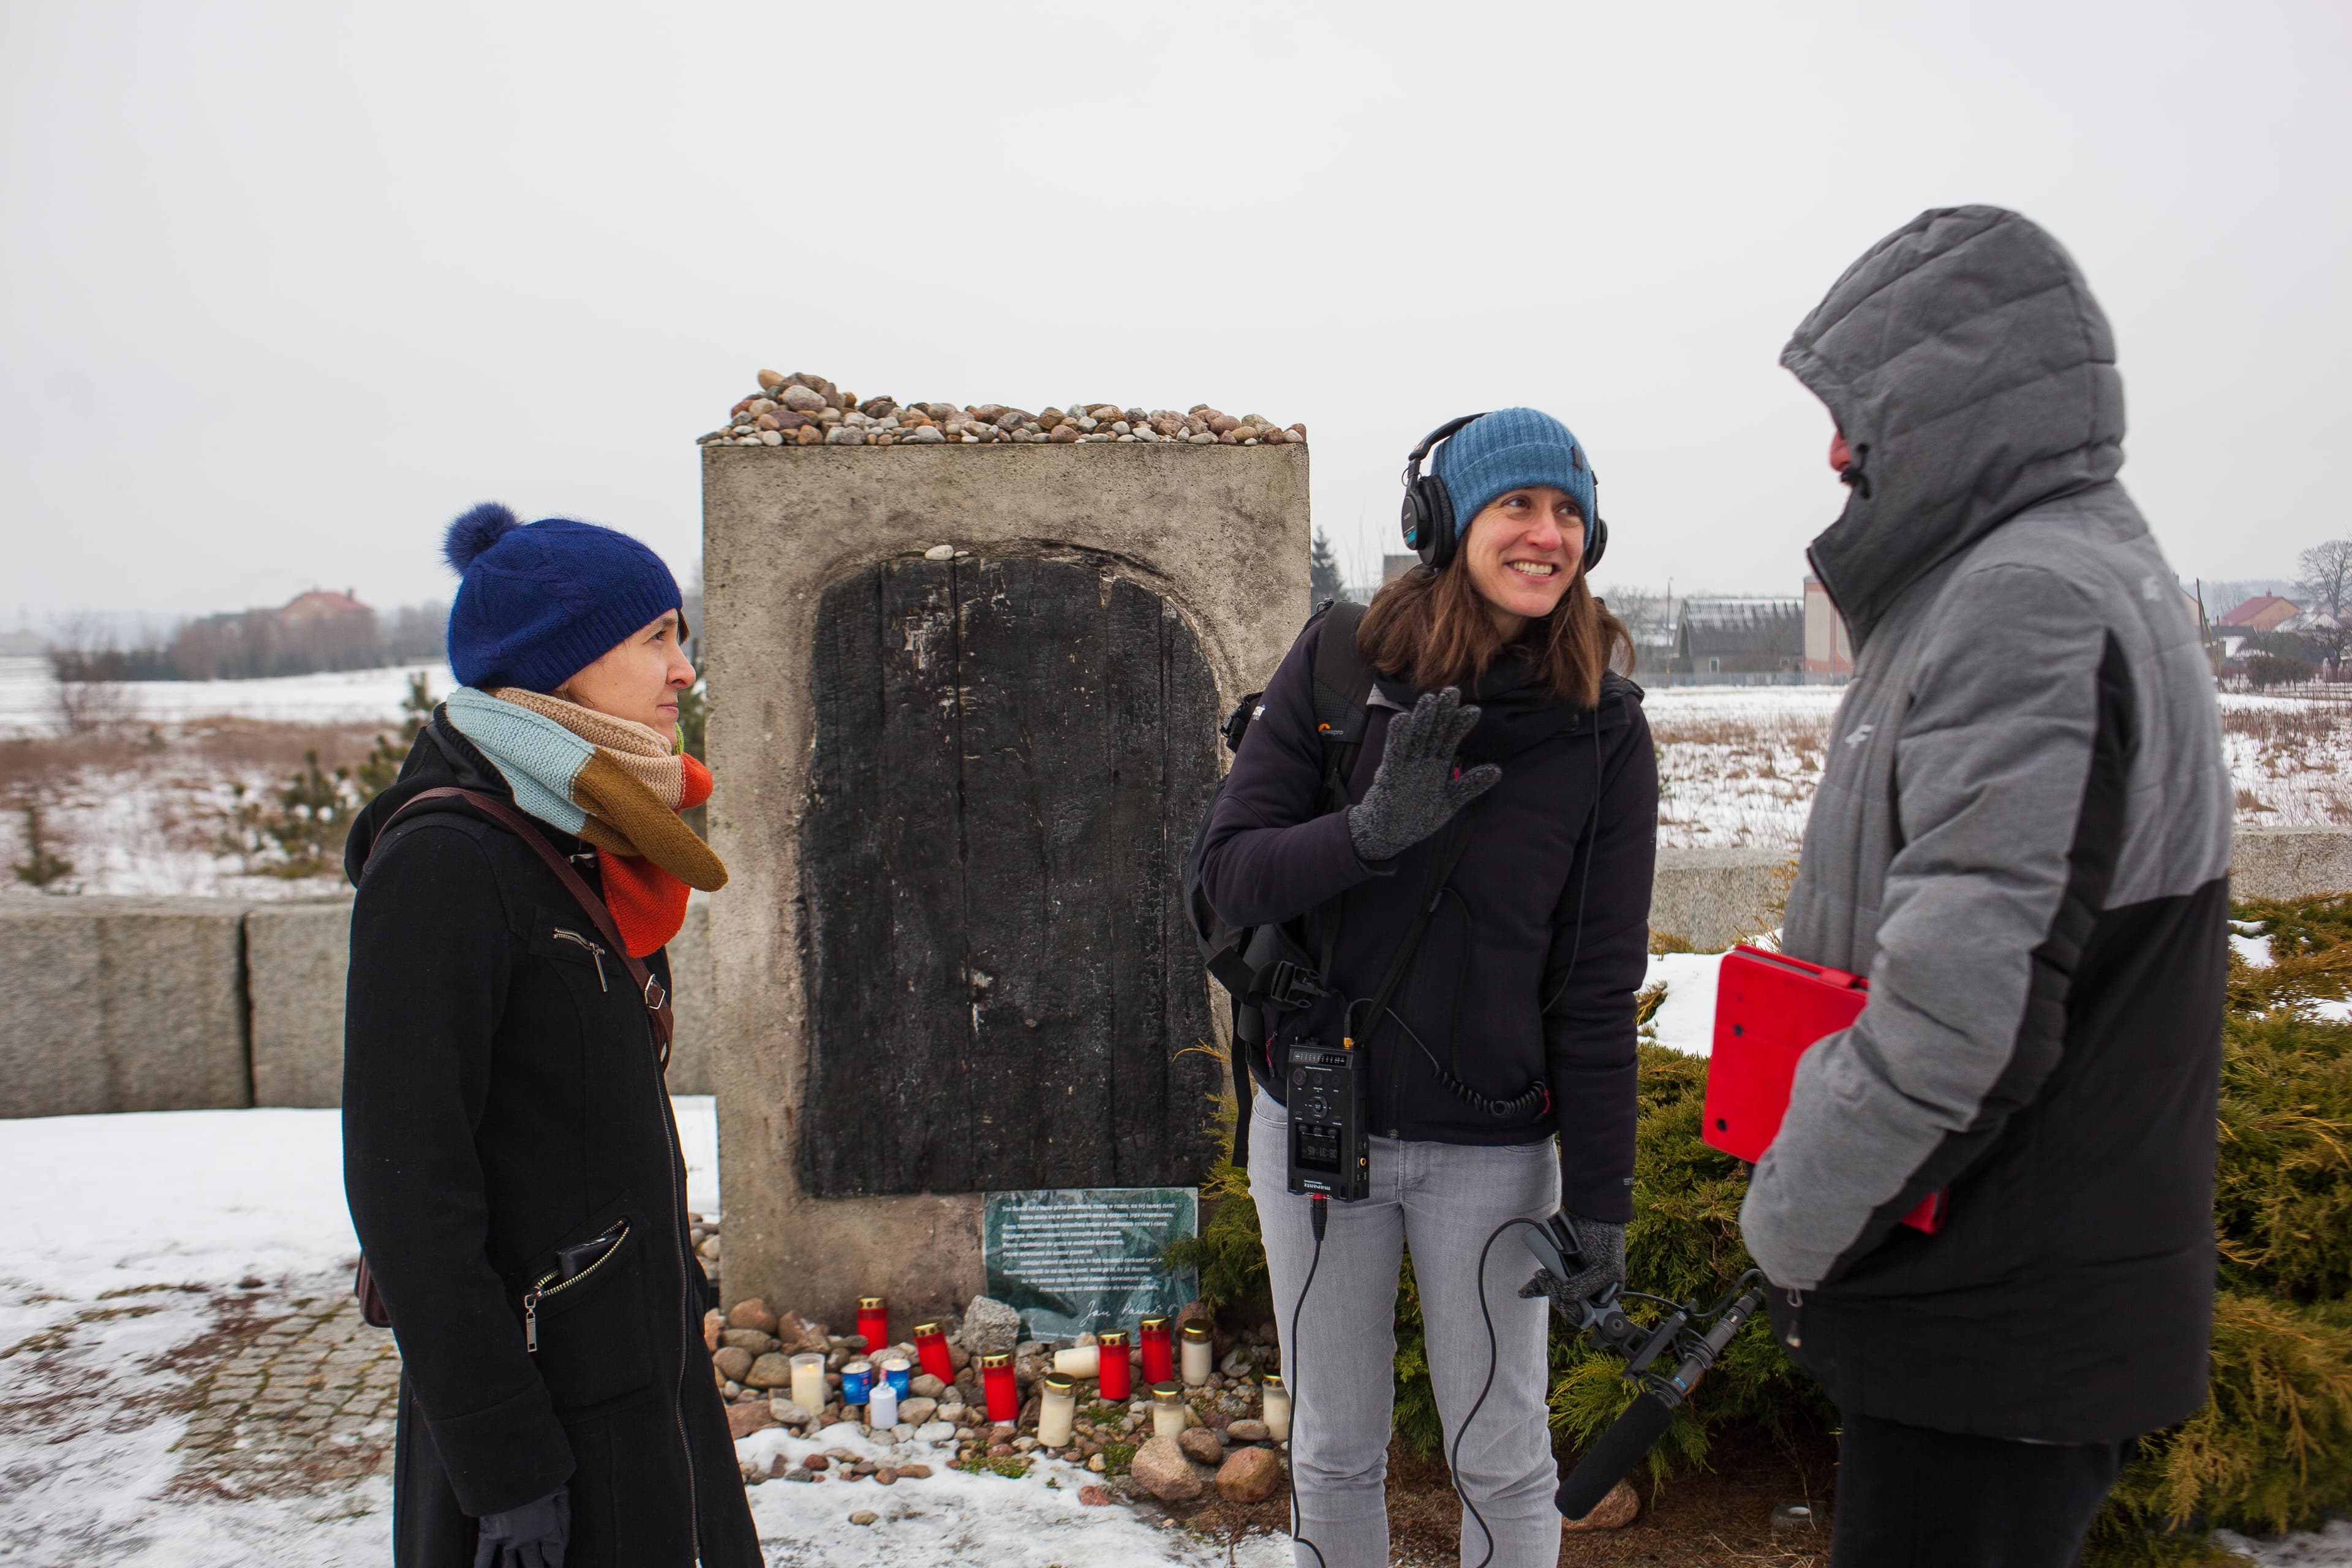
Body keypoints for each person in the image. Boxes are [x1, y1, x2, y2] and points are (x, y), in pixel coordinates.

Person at [1738, 206, 2232, 1567]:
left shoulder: (2028, 600)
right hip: (2002, 1293)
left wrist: (1791, 1209)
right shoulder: (2058, 571)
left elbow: (1964, 1014)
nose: (1836, 451)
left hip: (1998, 1303)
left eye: (1855, 411)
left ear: (1957, 395)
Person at [1194, 409, 1659, 1567]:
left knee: (1503, 1456)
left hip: (1494, 1152)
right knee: (1335, 1450)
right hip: (1316, 1123)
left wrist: (1600, 1193)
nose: (1546, 535)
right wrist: (1365, 833)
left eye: (1567, 512)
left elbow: (1598, 981)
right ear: (1446, 523)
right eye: (1517, 507)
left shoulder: (1603, 730)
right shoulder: (1343, 664)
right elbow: (1226, 874)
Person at [342, 503, 757, 1568]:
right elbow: (408, 1193)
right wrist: (507, 1471)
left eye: (680, 635)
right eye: (656, 638)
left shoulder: (584, 831)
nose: (684, 671)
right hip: (542, 1418)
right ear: (561, 667)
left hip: (638, 1374)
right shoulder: (448, 860)